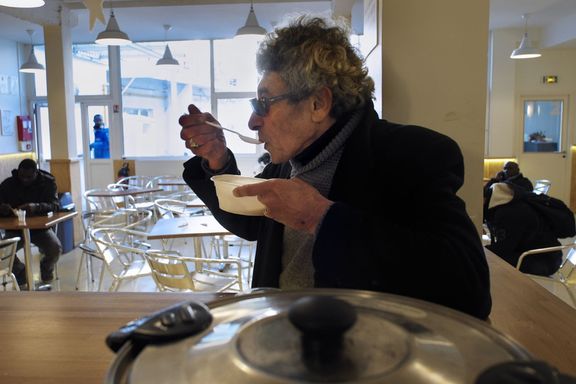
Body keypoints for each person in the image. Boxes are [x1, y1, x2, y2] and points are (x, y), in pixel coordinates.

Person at [178, 16, 491, 319]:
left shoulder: (411, 155)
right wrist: (217, 159)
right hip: (280, 339)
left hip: (357, 355)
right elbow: (251, 224)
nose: (252, 121)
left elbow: (468, 289)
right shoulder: (289, 161)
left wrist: (320, 217)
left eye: (263, 102)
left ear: (318, 104)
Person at [0, 159, 62, 286]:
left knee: (55, 248)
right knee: (3, 252)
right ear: (18, 173)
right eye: (22, 176)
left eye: (29, 177)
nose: (25, 180)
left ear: (36, 173)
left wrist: (36, 207)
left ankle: (46, 271)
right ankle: (22, 274)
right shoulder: (8, 185)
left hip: (40, 229)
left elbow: (55, 206)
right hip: (15, 230)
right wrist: (3, 208)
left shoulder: (47, 183)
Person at [484, 182, 562, 276]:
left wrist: (479, 250)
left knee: (490, 260)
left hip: (544, 261)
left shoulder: (509, 212)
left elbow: (504, 248)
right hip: (536, 255)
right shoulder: (502, 206)